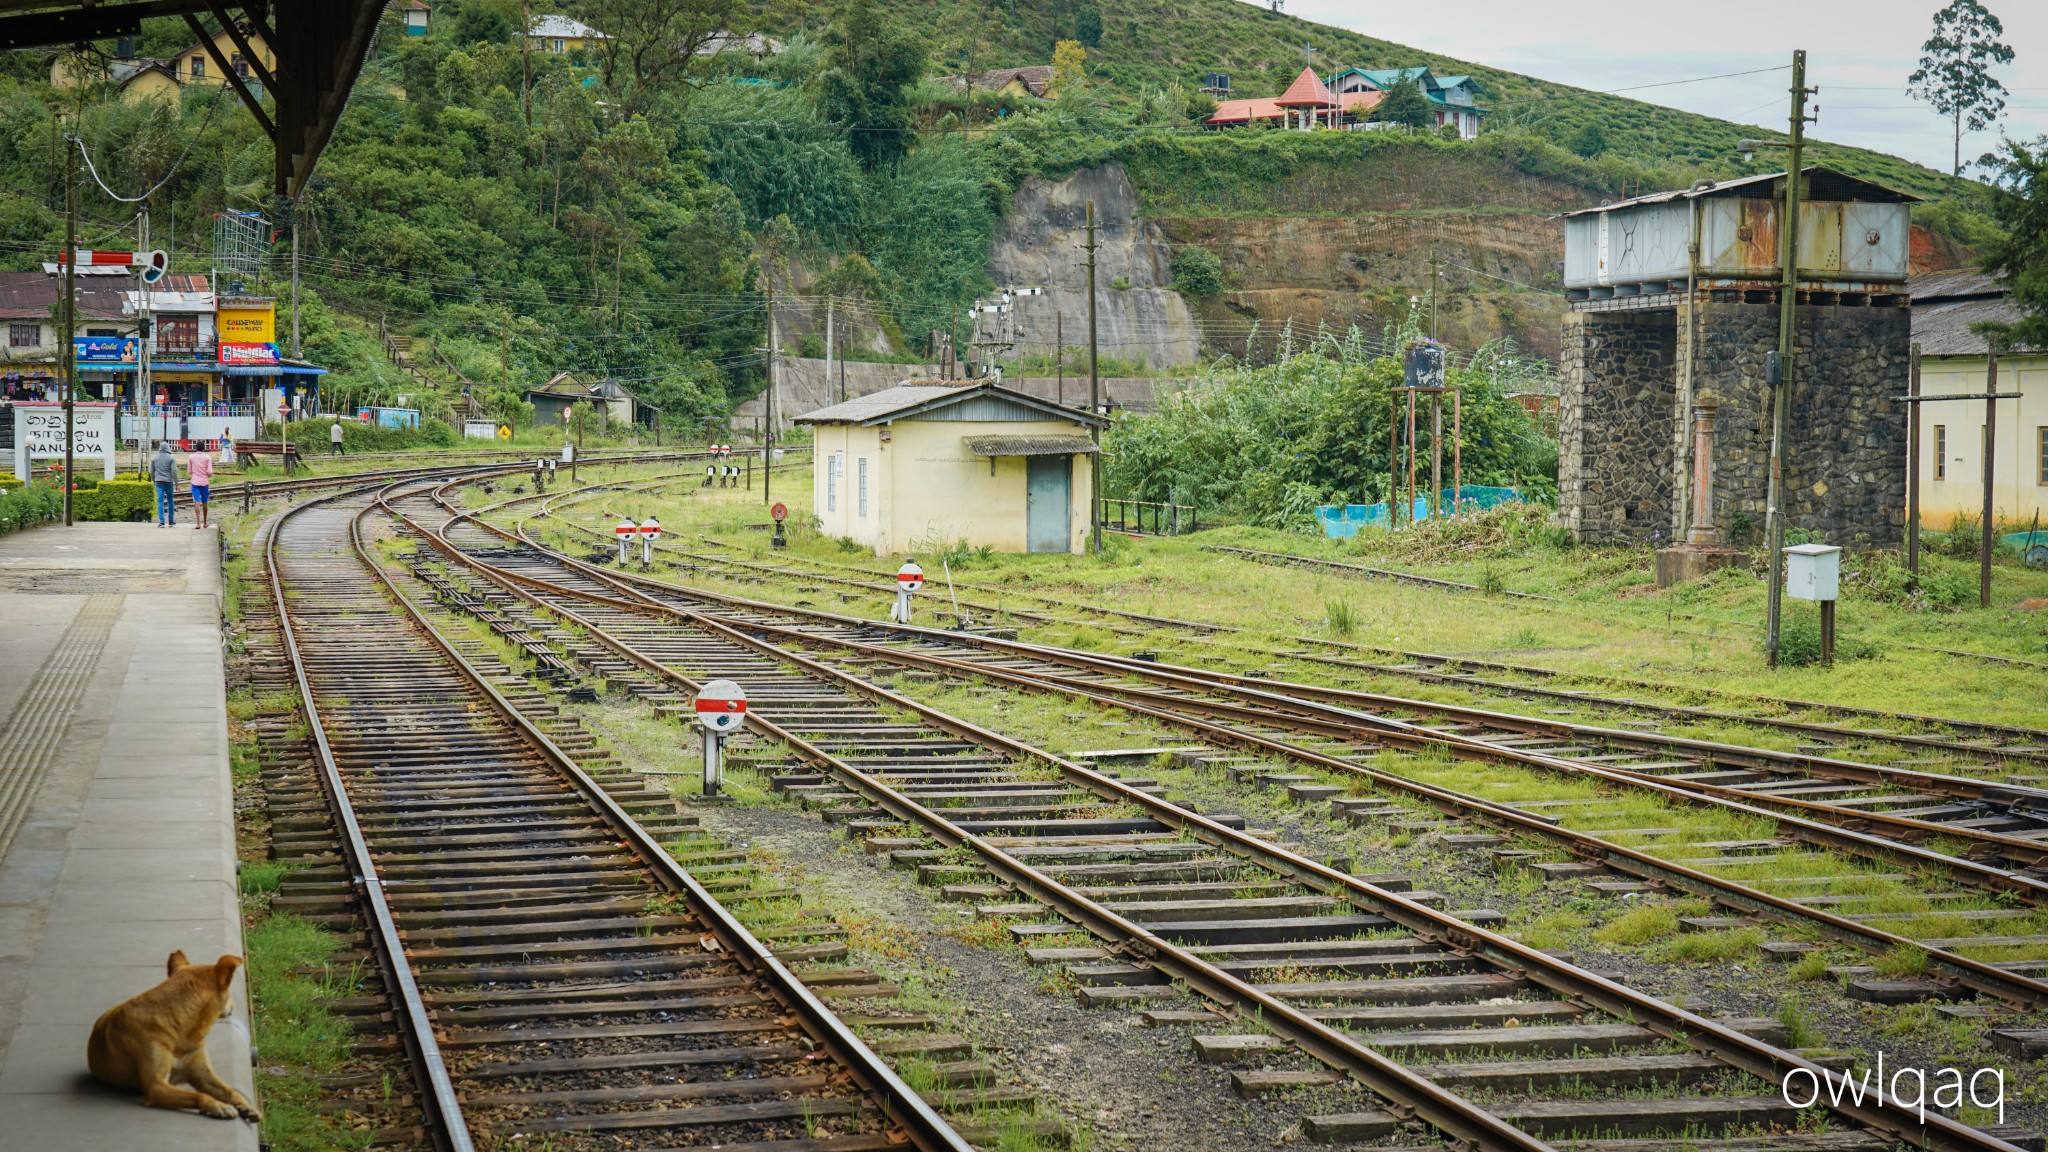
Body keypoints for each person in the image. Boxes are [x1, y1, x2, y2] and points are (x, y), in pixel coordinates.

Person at [149, 442, 177, 527]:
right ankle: (171, 521)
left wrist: (154, 480)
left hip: (158, 482)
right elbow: (174, 471)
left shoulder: (154, 458)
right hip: (169, 481)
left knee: (160, 501)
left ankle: (161, 522)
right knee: (170, 501)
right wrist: (176, 483)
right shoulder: (171, 458)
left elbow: (151, 471)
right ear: (168, 447)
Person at [187, 444, 213, 530]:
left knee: (196, 501)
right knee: (205, 502)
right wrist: (206, 474)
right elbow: (210, 472)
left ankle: (198, 523)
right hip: (204, 482)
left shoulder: (191, 457)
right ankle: (205, 523)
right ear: (203, 449)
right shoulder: (208, 457)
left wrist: (196, 472)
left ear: (196, 448)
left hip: (194, 481)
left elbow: (189, 471)